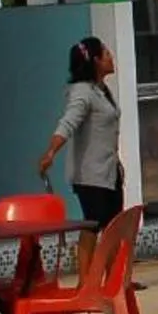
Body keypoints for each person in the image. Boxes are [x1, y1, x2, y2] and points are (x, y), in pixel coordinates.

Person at [37, 36, 124, 222]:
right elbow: (67, 123)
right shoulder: (83, 92)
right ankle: (88, 253)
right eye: (106, 53)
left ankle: (110, 253)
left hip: (109, 171)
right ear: (96, 61)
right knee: (94, 224)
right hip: (90, 175)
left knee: (114, 225)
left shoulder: (101, 90)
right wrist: (51, 152)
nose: (111, 57)